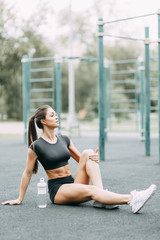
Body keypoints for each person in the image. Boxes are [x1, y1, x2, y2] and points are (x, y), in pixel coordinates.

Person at [2, 105, 156, 213]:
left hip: (72, 182)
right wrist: (19, 198)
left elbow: (81, 158)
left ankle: (101, 198)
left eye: (56, 114)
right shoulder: (36, 146)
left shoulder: (64, 138)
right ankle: (133, 199)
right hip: (59, 190)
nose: (56, 117)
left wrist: (93, 158)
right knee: (92, 190)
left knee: (88, 152)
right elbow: (28, 172)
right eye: (52, 115)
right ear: (43, 121)